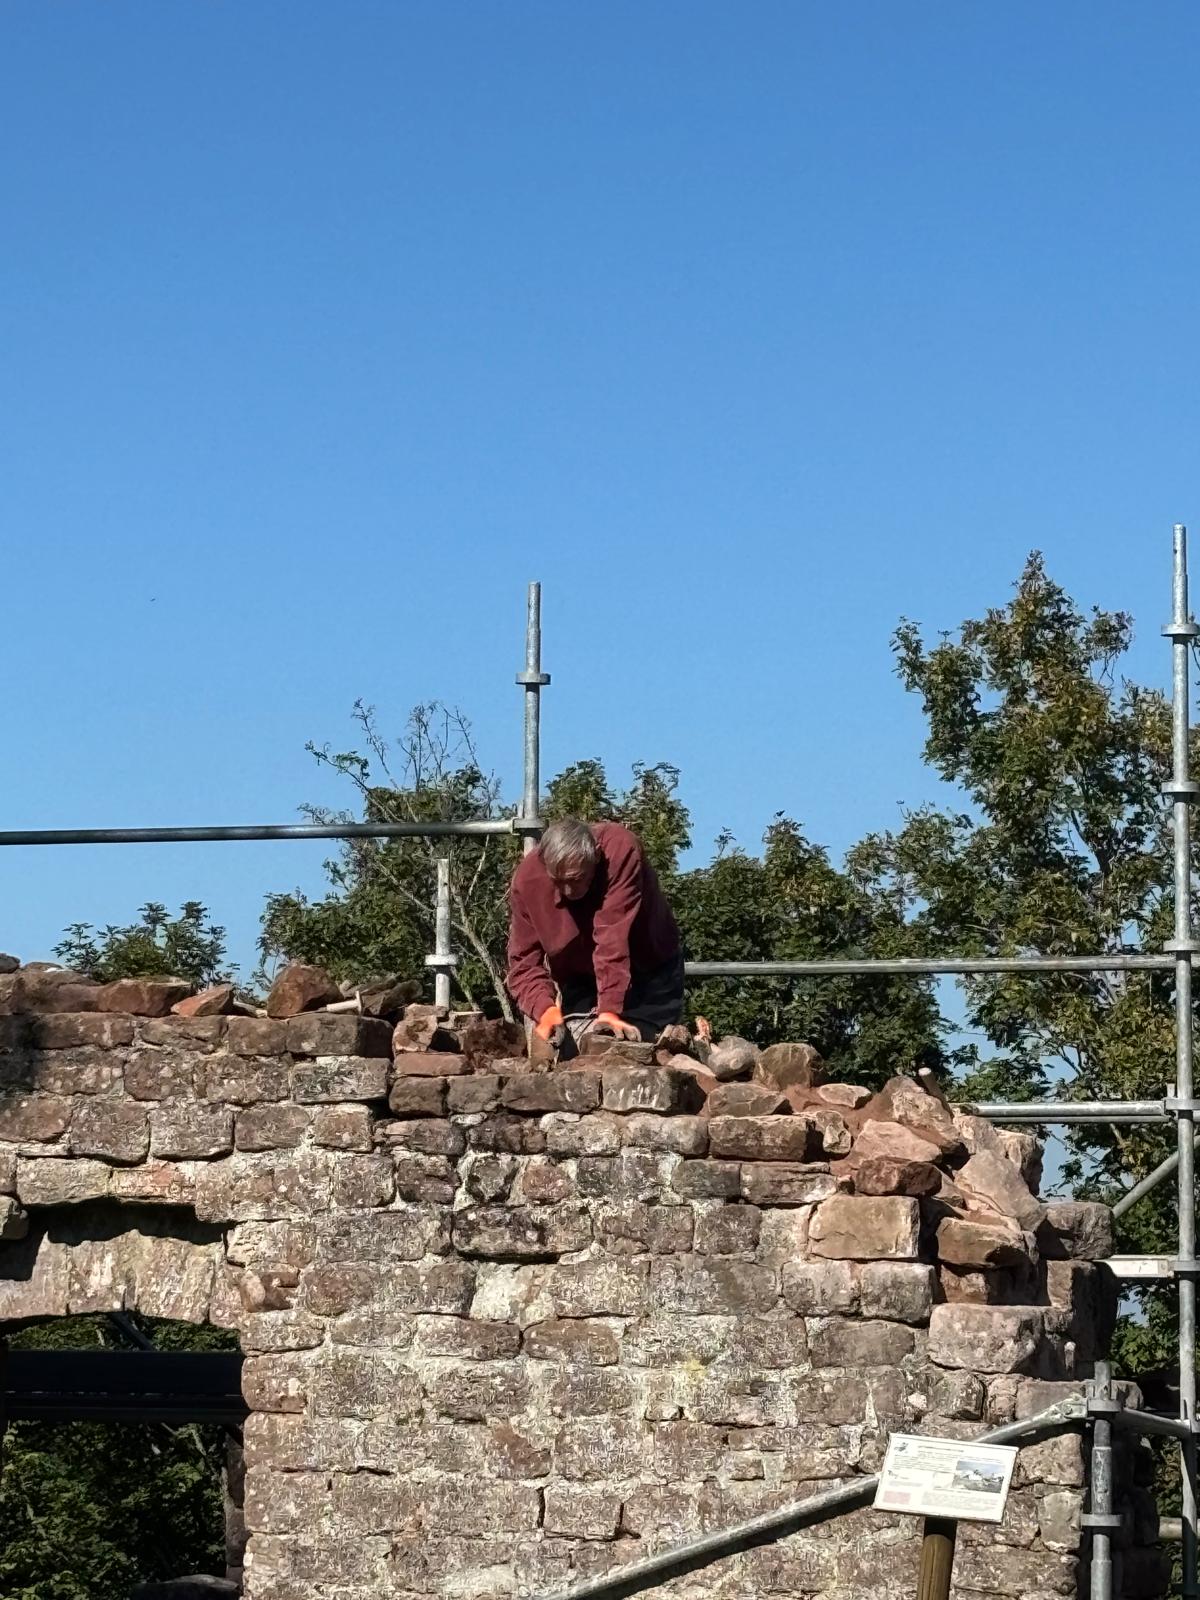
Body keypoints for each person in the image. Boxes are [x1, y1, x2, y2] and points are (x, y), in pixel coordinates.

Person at [507, 817, 684, 1054]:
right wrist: (544, 1009)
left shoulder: (620, 850)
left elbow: (612, 936)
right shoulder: (528, 881)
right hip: (579, 977)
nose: (568, 891)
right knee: (574, 1050)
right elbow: (523, 964)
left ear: (597, 855)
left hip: (649, 971)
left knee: (641, 1050)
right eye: (558, 881)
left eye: (576, 879)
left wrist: (609, 1010)